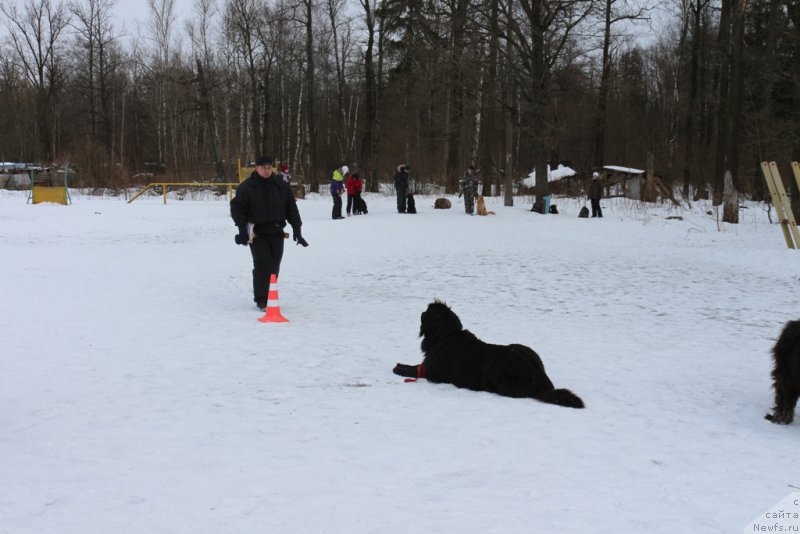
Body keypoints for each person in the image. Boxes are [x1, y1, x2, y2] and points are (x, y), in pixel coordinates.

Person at [230, 155, 308, 311]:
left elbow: (291, 209)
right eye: (263, 167)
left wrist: (297, 231)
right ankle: (262, 299)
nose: (267, 171)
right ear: (257, 168)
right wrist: (242, 230)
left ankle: (270, 294)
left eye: (269, 167)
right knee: (262, 265)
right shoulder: (247, 187)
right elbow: (237, 209)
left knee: (274, 266)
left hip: (277, 231)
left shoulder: (281, 185)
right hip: (258, 232)